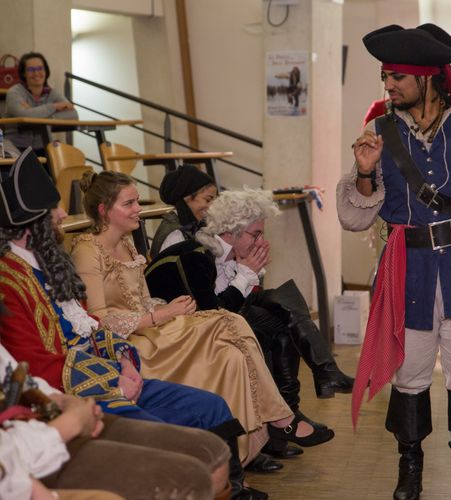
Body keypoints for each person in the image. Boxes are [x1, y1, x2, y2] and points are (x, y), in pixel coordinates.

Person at [0, 149, 259, 499]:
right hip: (80, 391)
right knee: (173, 442)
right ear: (30, 223)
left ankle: (236, 489)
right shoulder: (8, 281)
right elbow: (34, 363)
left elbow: (90, 324)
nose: (62, 214)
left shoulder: (49, 264)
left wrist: (124, 359)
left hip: (112, 372)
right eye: (53, 210)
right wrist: (114, 380)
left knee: (210, 406)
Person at [71, 170, 334, 468]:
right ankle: (283, 418)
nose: (138, 209)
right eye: (129, 203)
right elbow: (98, 321)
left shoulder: (128, 244)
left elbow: (141, 300)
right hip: (129, 344)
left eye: (136, 202)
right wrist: (162, 314)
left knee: (231, 352)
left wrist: (167, 308)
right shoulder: (87, 251)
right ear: (104, 210)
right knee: (230, 322)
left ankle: (242, 453)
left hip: (152, 328)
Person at [336, 23, 451, 500]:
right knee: (409, 378)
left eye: (397, 77)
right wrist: (365, 172)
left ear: (427, 77)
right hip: (407, 272)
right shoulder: (378, 131)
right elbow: (353, 217)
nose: (388, 85)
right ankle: (409, 473)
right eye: (385, 76)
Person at [145, 188, 354, 409]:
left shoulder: (227, 253)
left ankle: (302, 396)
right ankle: (298, 401)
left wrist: (249, 272)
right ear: (231, 231)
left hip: (208, 318)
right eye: (256, 234)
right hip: (178, 329)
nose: (261, 241)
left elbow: (233, 303)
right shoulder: (196, 256)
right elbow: (213, 315)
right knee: (279, 323)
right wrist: (245, 274)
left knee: (283, 300)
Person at [0, 342, 227, 500]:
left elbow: (17, 374)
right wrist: (71, 423)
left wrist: (64, 401)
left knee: (212, 445)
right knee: (189, 477)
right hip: (33, 444)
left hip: (53, 411)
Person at [4, 52, 78, 154]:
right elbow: (24, 115)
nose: (36, 73)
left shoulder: (52, 93)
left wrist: (35, 114)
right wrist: (54, 107)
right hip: (17, 147)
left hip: (45, 146)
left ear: (46, 71)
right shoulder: (14, 92)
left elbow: (73, 115)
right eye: (31, 69)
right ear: (24, 73)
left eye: (40, 68)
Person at [149, 164, 217, 259]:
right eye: (208, 200)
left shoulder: (195, 225)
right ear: (187, 197)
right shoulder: (175, 236)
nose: (212, 206)